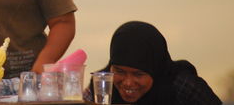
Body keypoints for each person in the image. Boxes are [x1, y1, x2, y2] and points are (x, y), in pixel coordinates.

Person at [84, 21, 222, 105]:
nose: (128, 82)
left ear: (156, 70)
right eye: (120, 71)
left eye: (138, 74)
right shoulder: (100, 87)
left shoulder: (182, 86)